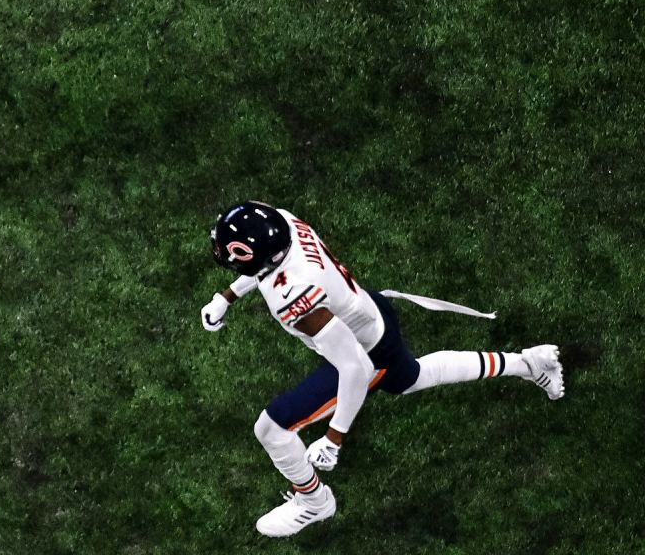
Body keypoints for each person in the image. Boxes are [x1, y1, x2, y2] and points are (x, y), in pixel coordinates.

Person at [201, 201, 565, 537]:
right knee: (413, 377)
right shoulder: (282, 223)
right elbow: (270, 267)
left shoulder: (297, 298)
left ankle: (314, 503)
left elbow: (354, 368)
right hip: (366, 311)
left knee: (272, 429)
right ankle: (526, 363)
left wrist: (334, 437)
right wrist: (227, 296)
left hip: (363, 348)